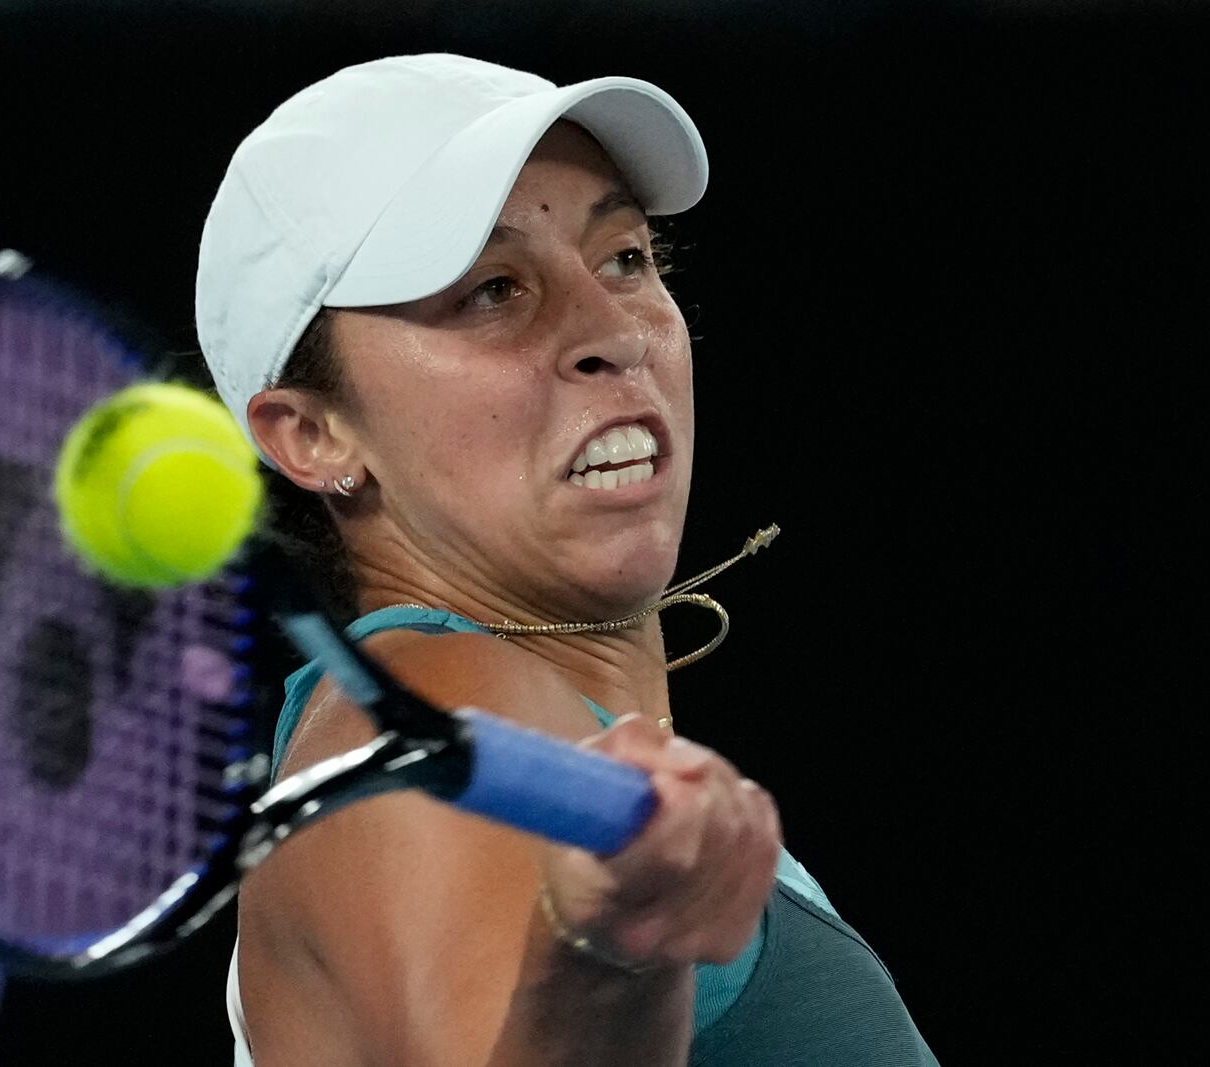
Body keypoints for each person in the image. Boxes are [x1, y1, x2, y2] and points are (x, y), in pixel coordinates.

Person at [196, 53, 937, 1065]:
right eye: (493, 290)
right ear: (314, 434)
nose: (612, 329)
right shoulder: (436, 707)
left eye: (625, 256)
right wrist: (602, 959)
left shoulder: (454, 721)